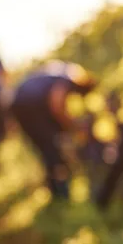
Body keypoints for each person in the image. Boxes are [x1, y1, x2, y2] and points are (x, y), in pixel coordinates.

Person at [11, 61, 95, 199]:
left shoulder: (62, 71)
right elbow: (57, 105)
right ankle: (61, 192)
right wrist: (71, 126)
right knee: (52, 147)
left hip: (18, 103)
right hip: (30, 105)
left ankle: (55, 188)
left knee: (46, 147)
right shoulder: (68, 78)